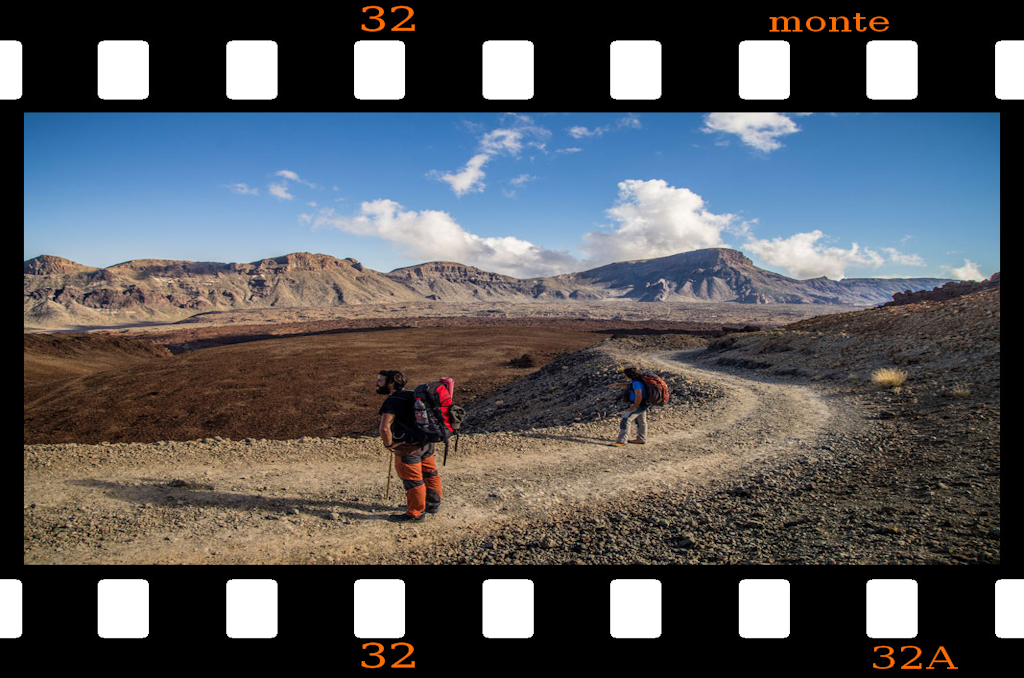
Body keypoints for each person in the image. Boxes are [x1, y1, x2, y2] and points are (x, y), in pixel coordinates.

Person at [377, 370, 442, 522]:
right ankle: (433, 504)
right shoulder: (414, 395)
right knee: (430, 473)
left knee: (413, 480)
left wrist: (389, 445)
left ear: (391, 383)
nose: (377, 383)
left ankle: (415, 513)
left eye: (380, 381)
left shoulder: (391, 401)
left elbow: (384, 428)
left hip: (408, 448)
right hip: (426, 443)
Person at [606, 366, 649, 447]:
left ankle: (622, 441)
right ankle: (641, 439)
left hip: (637, 404)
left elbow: (638, 395)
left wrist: (635, 406)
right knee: (641, 421)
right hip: (643, 404)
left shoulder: (636, 383)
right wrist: (618, 385)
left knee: (626, 420)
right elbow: (629, 385)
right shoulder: (637, 381)